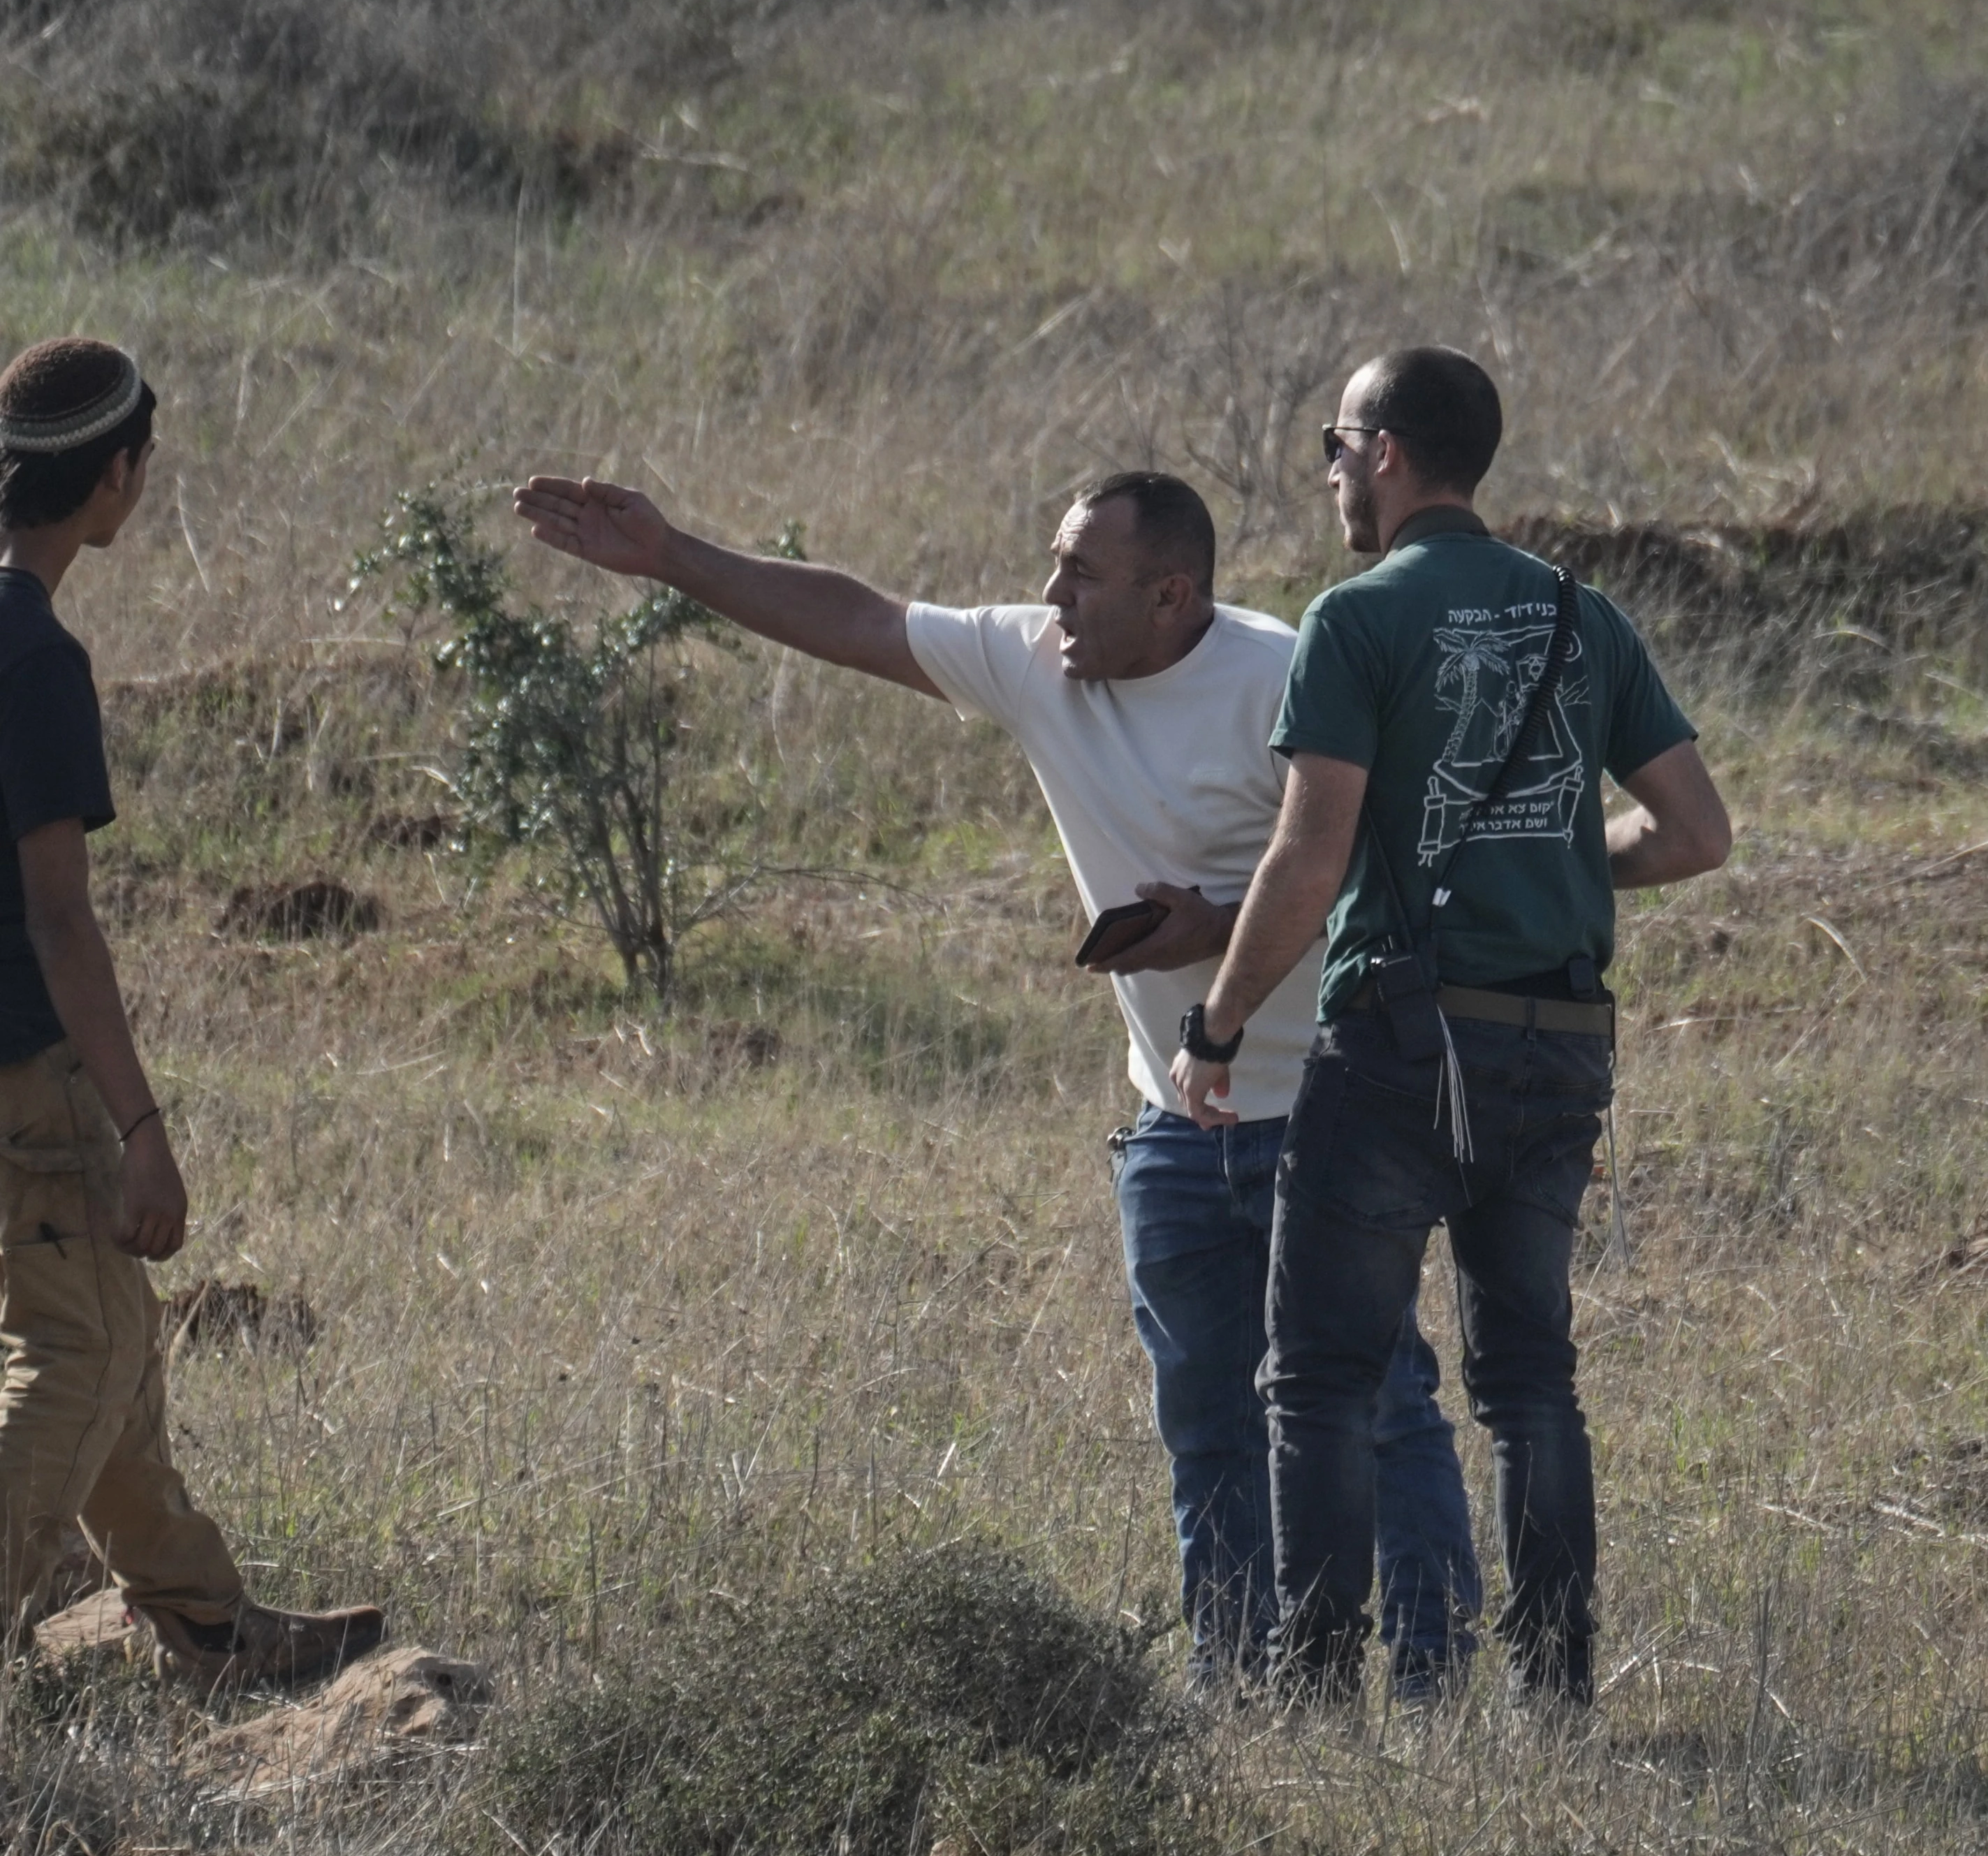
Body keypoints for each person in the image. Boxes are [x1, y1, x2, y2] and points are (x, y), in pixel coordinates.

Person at [514, 464, 1481, 1695]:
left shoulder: (1284, 674)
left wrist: (1214, 929)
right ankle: (1245, 1689)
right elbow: (862, 619)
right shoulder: (1038, 660)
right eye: (1054, 563)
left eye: (1079, 572)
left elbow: (1385, 868)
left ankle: (1435, 1688)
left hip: (1332, 1115)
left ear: (1172, 592)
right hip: (1178, 1118)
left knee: (1376, 1407)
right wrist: (672, 557)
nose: (1048, 593)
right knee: (1209, 1430)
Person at [1172, 345, 1732, 1708]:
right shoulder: (1575, 615)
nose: (1326, 472)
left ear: (1385, 452)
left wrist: (1218, 1020)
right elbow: (1697, 833)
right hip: (1555, 1041)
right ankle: (1555, 1695)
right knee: (1530, 1377)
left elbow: (1310, 858)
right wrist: (1553, 864)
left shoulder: (1354, 617)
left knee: (1314, 1377)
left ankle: (1313, 1702)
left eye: (1334, 445)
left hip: (1401, 1047)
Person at [0, 337, 386, 1687]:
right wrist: (143, 1123)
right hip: (27, 1075)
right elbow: (60, 920)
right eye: (143, 468)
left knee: (115, 1340)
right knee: (79, 1349)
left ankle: (200, 1618)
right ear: (113, 477)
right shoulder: (33, 657)